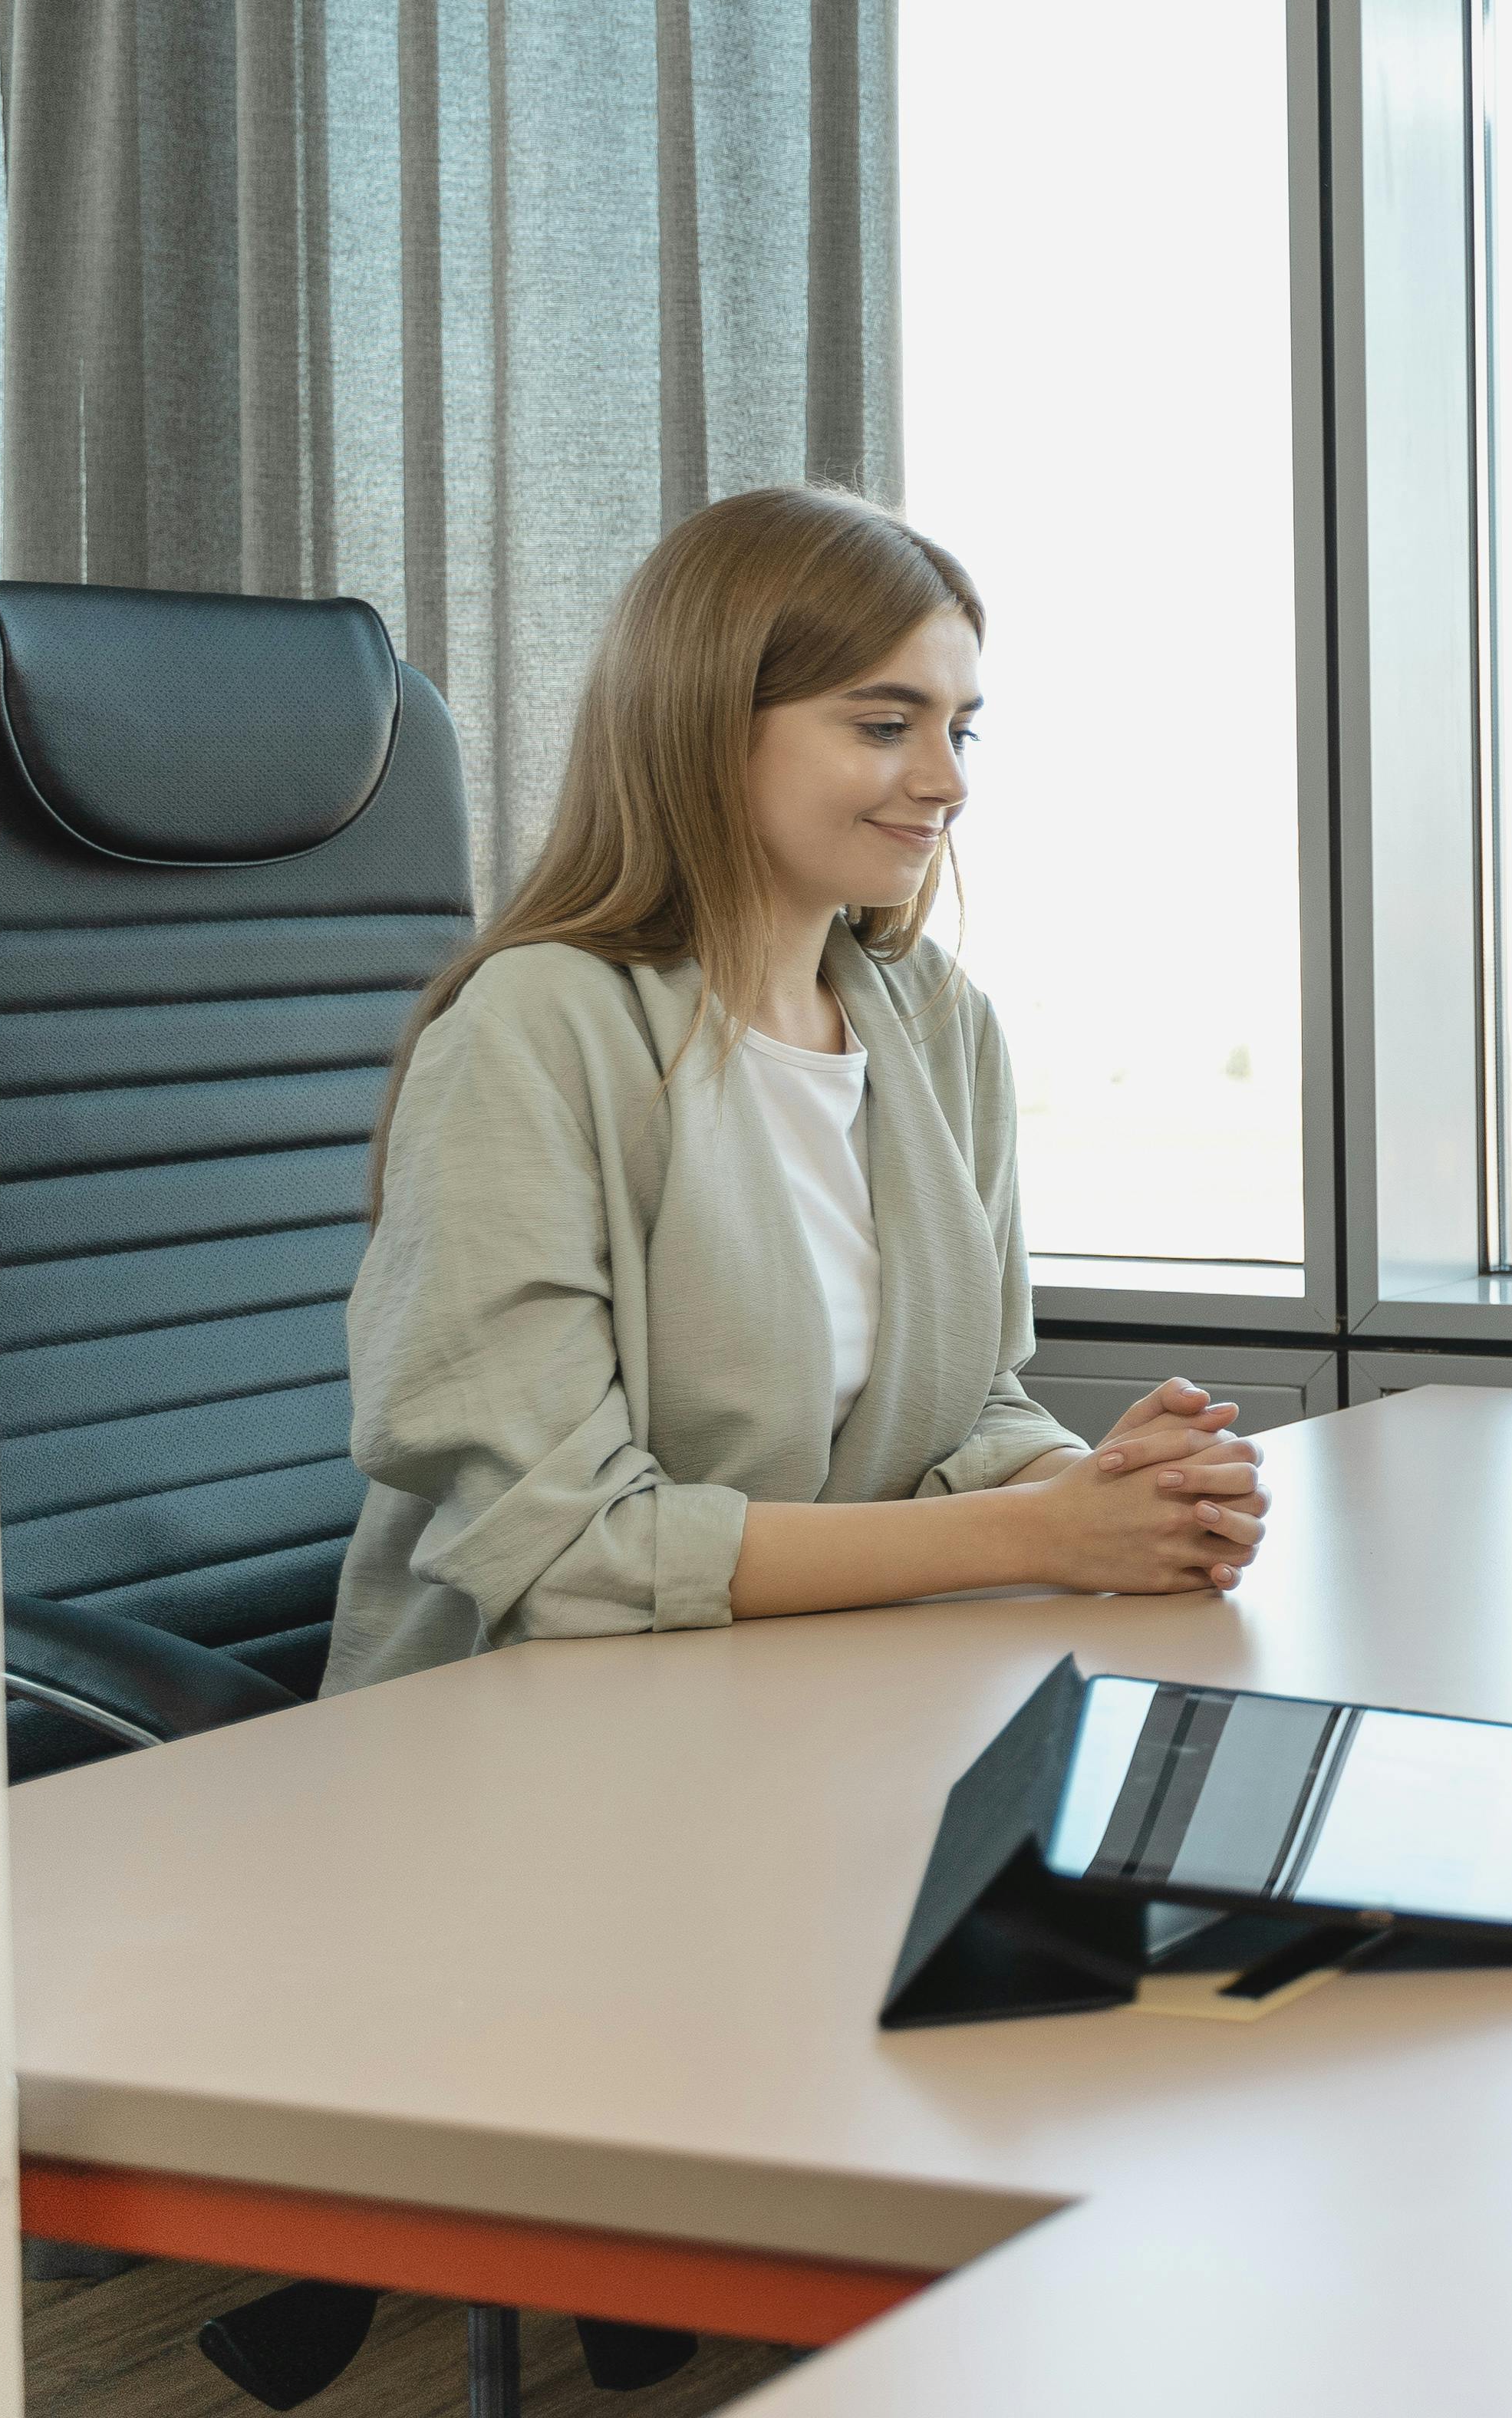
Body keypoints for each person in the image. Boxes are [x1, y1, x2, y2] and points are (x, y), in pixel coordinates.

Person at [324, 487, 1266, 1693]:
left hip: (808, 1700)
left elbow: (970, 1413)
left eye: (960, 732)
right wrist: (1039, 1535)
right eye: (884, 726)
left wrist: (1109, 1492)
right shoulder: (534, 1030)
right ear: (709, 727)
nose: (946, 782)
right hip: (531, 1739)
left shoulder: (939, 1024)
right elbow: (561, 1550)